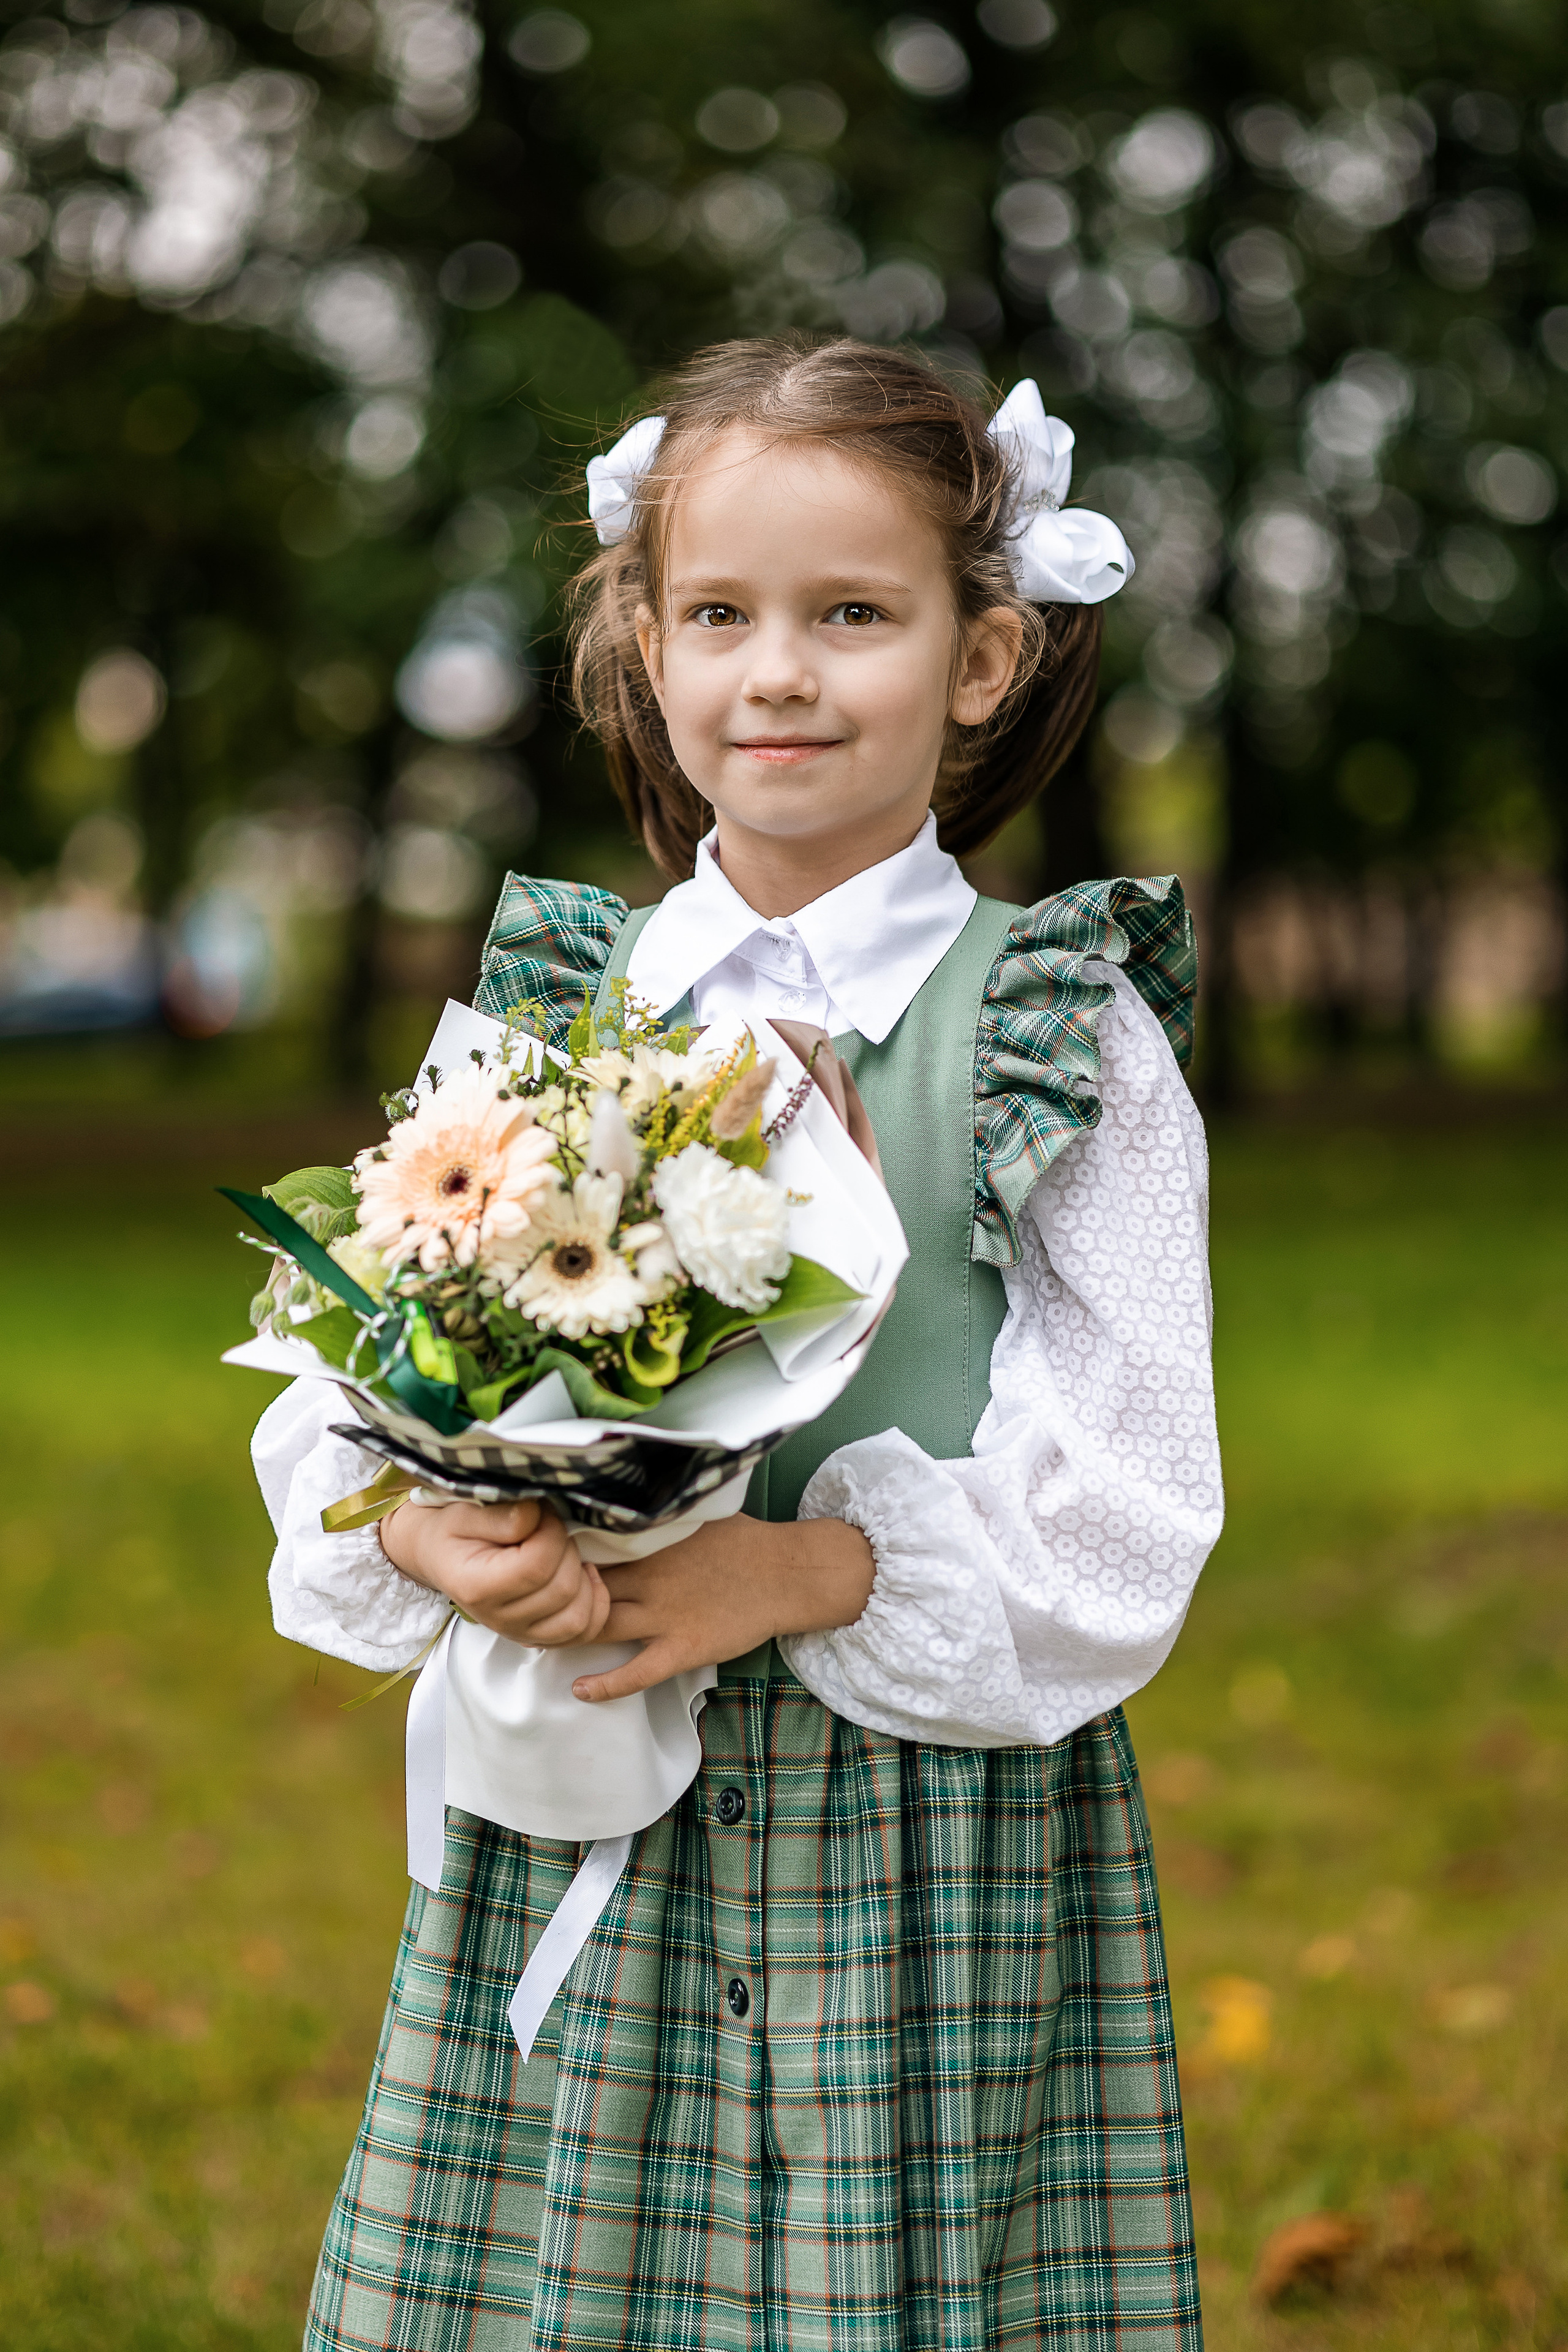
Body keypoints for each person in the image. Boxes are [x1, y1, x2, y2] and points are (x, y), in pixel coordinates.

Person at [255, 335, 1223, 2352]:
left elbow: (1130, 1492)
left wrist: (797, 1568)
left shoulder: (1055, 1027)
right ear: (647, 645)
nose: (778, 672)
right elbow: (389, 1351)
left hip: (913, 1825)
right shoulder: (563, 1003)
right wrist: (431, 1528)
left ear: (982, 659)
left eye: (853, 614)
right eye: (723, 615)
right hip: (590, 1773)